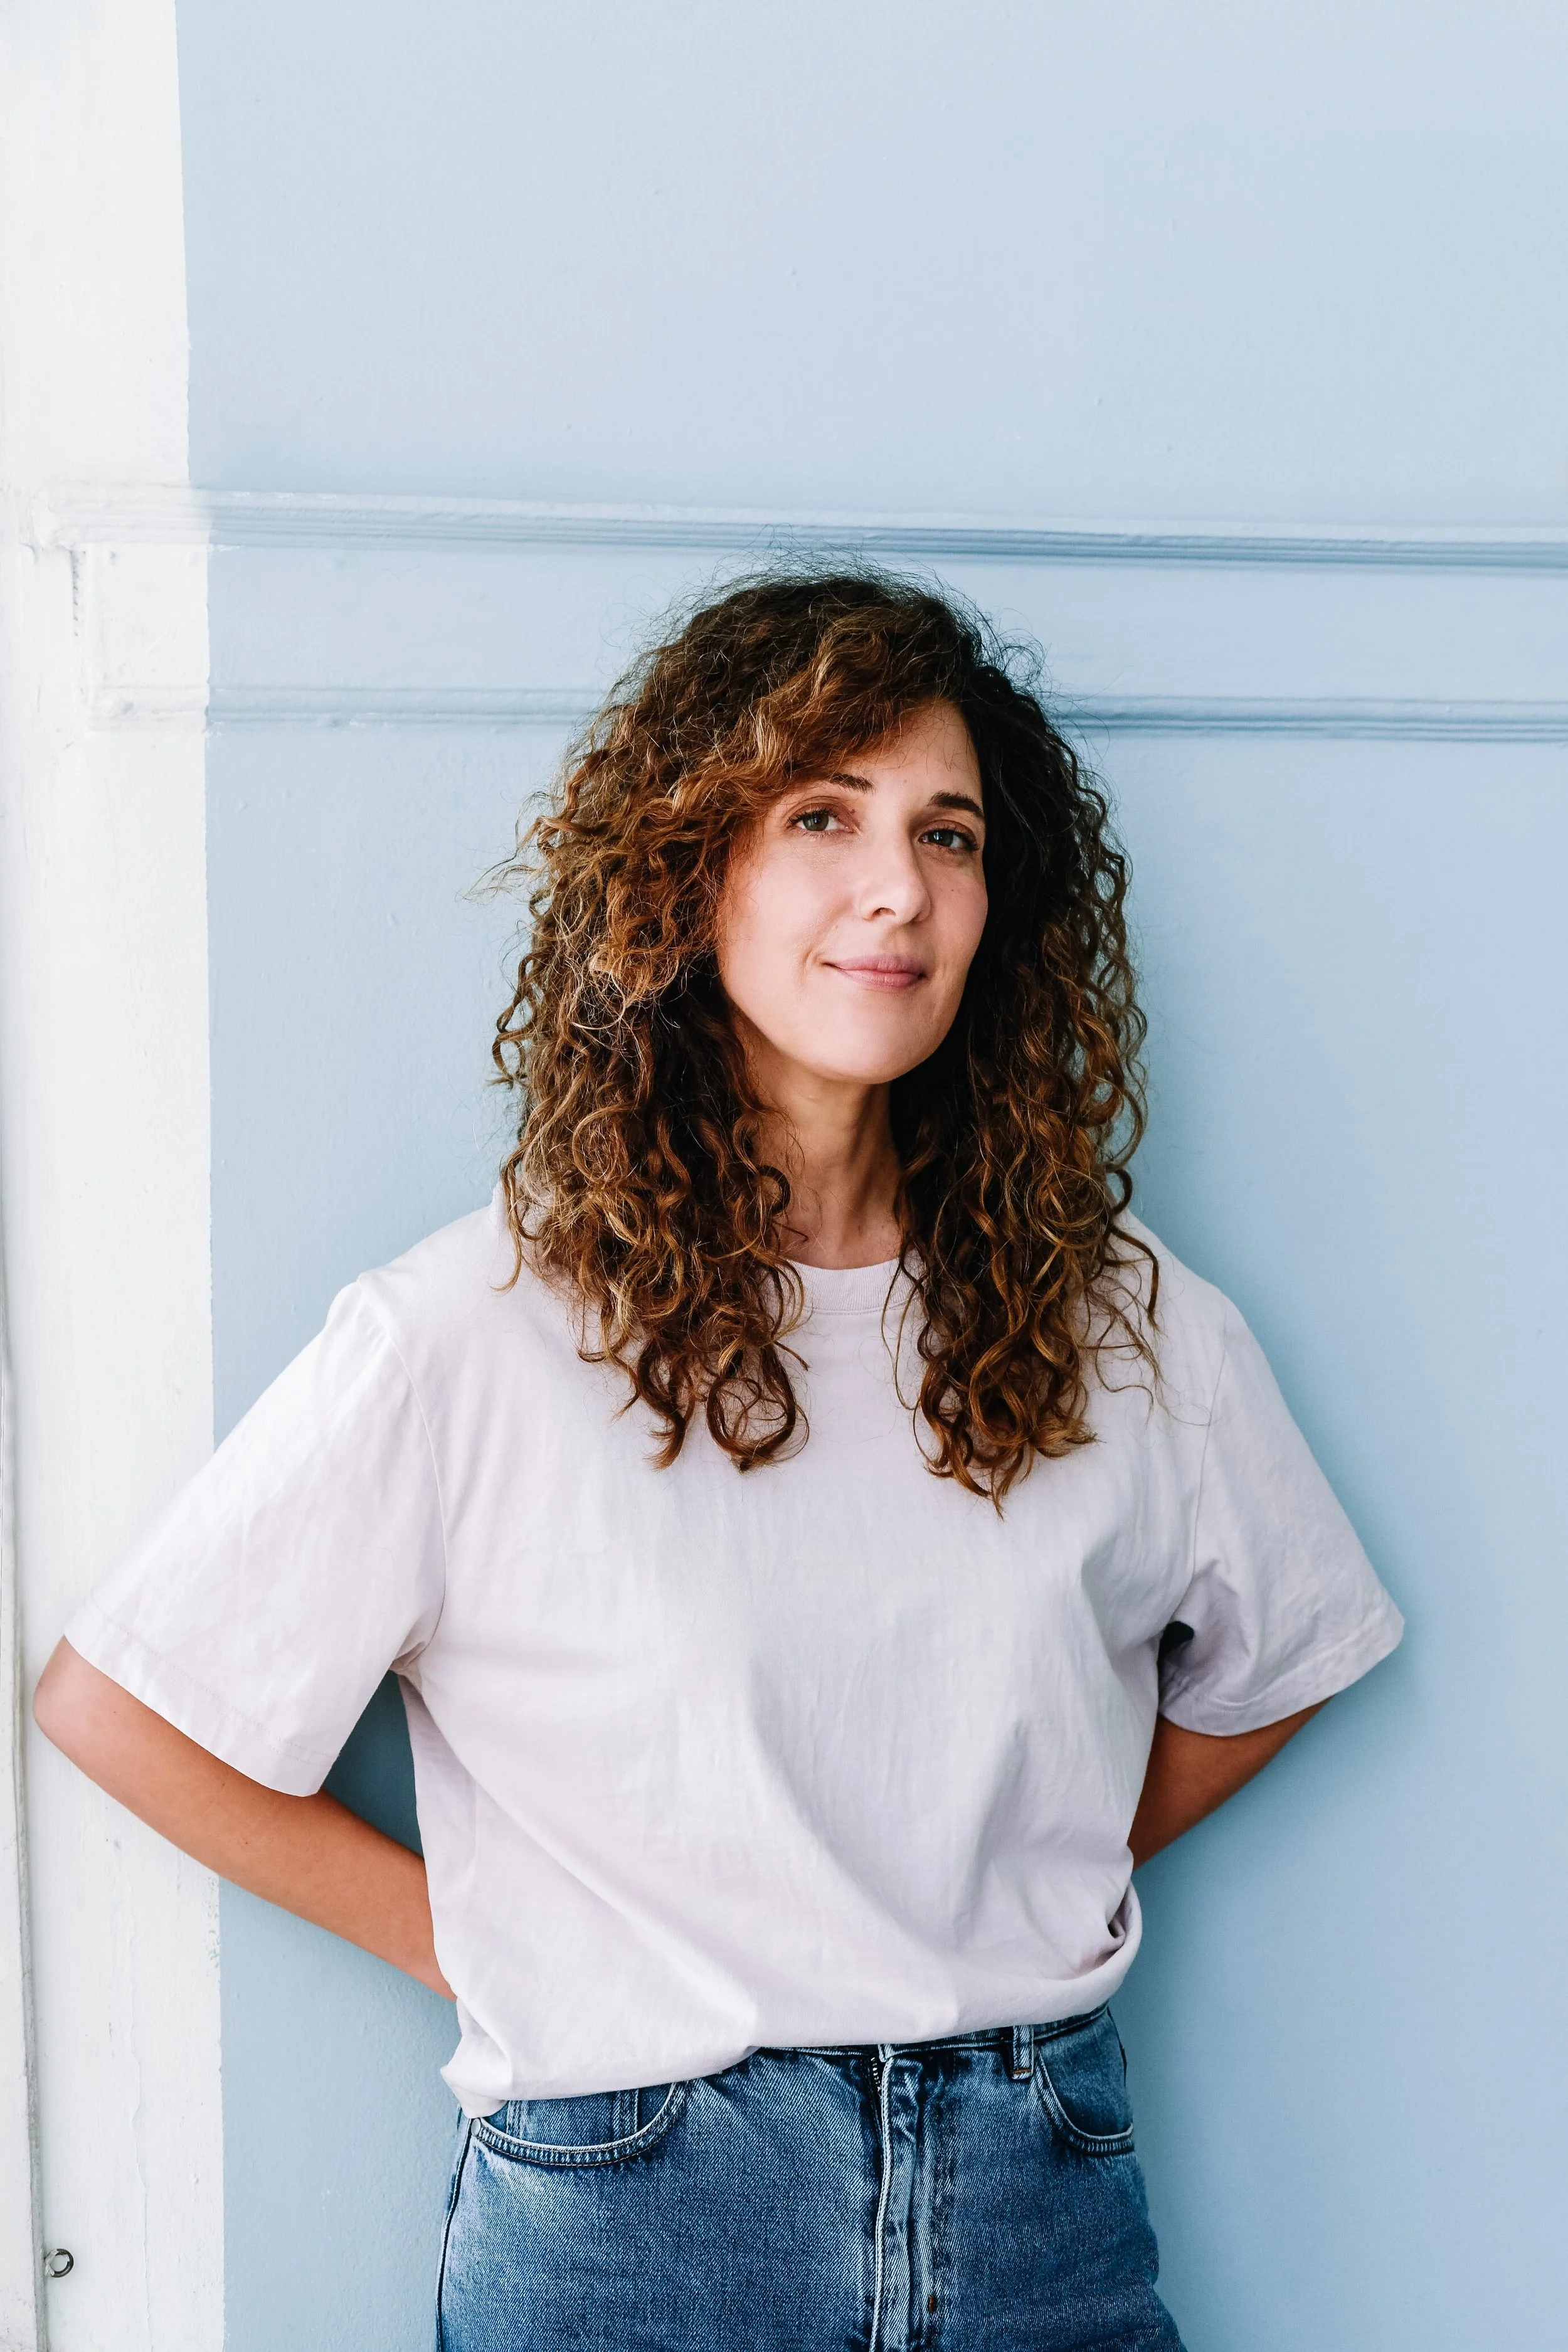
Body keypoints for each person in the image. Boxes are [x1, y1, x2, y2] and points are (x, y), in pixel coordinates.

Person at [36, 570, 1402, 2351]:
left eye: (948, 831)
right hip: (640, 2217)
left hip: (1037, 2199)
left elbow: (1280, 1660)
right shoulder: (476, 1330)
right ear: (691, 871)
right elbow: (123, 1708)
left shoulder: (1129, 1325)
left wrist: (1020, 1856)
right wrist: (514, 1944)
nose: (895, 885)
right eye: (820, 814)